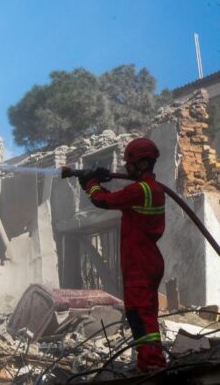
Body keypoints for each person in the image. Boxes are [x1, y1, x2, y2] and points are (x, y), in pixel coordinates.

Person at [78, 137, 167, 372]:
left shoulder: (140, 190)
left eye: (131, 163)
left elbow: (102, 201)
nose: (127, 168)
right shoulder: (151, 189)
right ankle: (151, 361)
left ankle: (152, 365)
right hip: (148, 259)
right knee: (145, 314)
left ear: (143, 164)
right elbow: (116, 199)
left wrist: (91, 184)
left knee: (139, 314)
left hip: (140, 262)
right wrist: (96, 183)